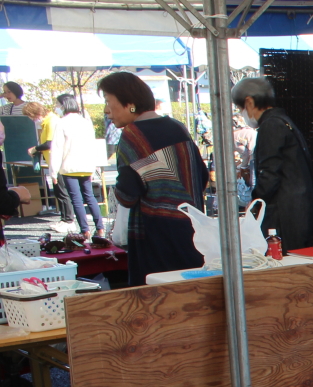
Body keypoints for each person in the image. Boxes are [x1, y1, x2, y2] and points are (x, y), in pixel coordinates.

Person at [99, 71, 208, 285]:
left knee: (156, 294)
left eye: (108, 101)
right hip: (191, 229)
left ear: (130, 104)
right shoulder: (177, 127)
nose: (106, 110)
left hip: (154, 236)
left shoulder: (133, 135)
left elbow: (127, 195)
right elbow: (202, 176)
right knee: (190, 289)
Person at [232, 76, 313, 252]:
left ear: (249, 102)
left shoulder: (271, 125)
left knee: (285, 259)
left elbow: (269, 173)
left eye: (241, 108)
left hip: (285, 213)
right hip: (298, 210)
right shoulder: (283, 121)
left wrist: (255, 202)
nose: (242, 113)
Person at [51, 93, 105, 239]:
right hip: (86, 165)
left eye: (58, 104)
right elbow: (92, 145)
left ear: (64, 105)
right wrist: (94, 166)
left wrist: (53, 171)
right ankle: (100, 228)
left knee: (76, 199)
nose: (57, 107)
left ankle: (85, 230)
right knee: (90, 196)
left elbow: (57, 148)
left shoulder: (61, 123)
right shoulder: (86, 122)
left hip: (69, 166)